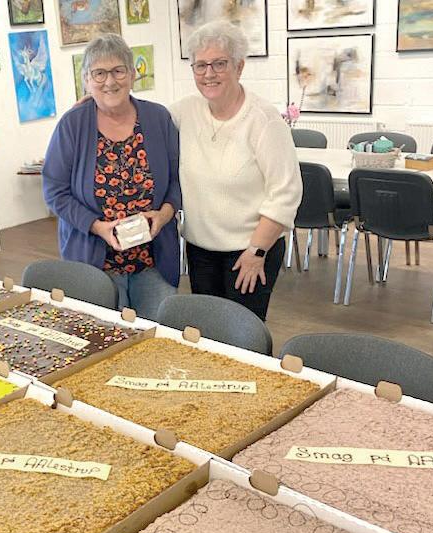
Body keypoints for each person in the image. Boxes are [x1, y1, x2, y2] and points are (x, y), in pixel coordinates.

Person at [170, 21, 302, 321]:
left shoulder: (263, 120)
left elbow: (286, 193)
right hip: (200, 249)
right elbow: (140, 117)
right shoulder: (185, 112)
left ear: (239, 67)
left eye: (219, 63)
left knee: (244, 334)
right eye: (200, 65)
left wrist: (257, 251)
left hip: (249, 251)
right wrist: (93, 102)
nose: (209, 73)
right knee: (208, 332)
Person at [43, 34, 181, 320]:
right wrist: (97, 227)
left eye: (118, 71)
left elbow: (177, 179)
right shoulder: (72, 125)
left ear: (132, 74)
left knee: (159, 336)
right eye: (99, 73)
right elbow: (54, 191)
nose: (110, 81)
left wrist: (165, 214)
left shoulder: (158, 118)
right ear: (86, 80)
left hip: (153, 259)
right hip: (95, 260)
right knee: (106, 338)